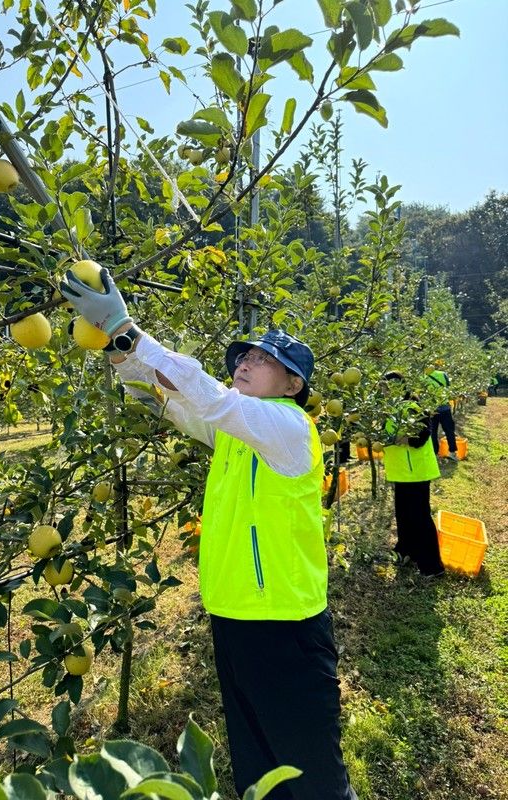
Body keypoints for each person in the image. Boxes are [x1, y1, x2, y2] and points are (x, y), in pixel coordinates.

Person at [61, 267, 357, 800]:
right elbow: (173, 402)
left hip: (284, 621)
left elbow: (212, 399)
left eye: (264, 359)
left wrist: (127, 328)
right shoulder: (237, 434)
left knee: (311, 769)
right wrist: (120, 353)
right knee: (256, 757)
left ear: (293, 385)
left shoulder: (289, 427)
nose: (246, 362)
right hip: (233, 612)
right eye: (246, 355)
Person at [383, 372, 445, 578]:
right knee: (403, 515)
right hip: (402, 472)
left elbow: (421, 436)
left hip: (416, 472)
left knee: (419, 517)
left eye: (385, 388)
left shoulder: (412, 407)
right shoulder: (390, 409)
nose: (383, 392)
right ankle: (405, 551)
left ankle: (432, 566)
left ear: (397, 388)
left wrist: (399, 439)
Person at [426, 364, 458, 461]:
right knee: (449, 430)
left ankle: (435, 454)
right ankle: (452, 453)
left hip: (431, 409)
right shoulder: (443, 374)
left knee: (433, 432)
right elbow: (448, 388)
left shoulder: (422, 377)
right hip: (444, 407)